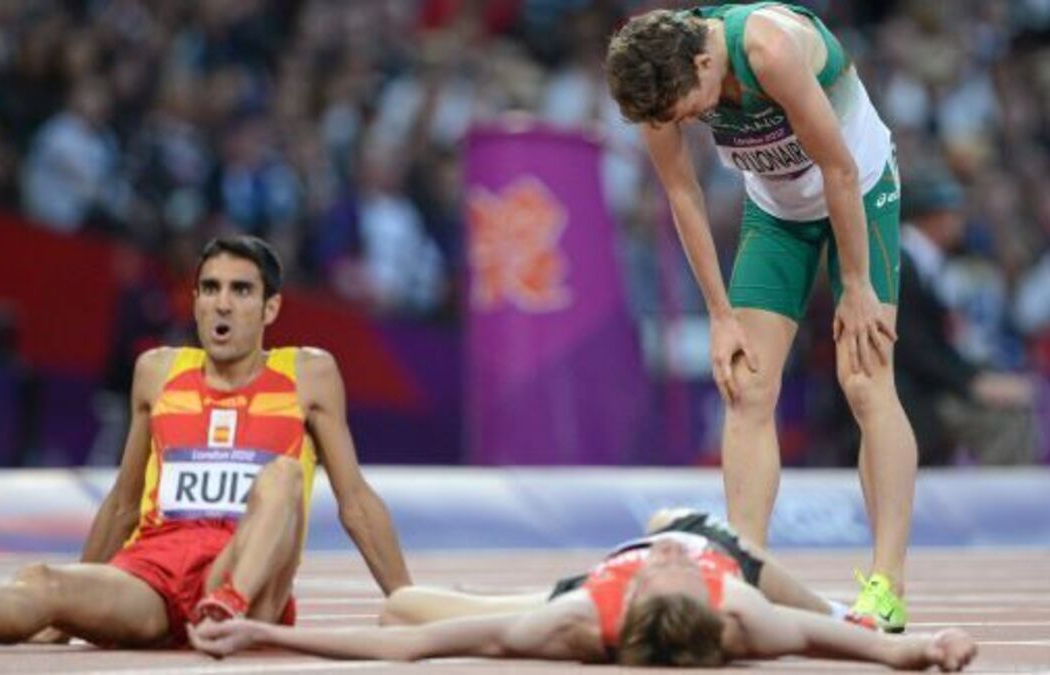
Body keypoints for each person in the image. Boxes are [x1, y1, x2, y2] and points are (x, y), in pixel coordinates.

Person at [0, 234, 412, 652]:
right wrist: (65, 611)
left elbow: (356, 502)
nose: (222, 304)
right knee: (45, 582)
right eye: (211, 289)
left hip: (242, 571)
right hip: (156, 573)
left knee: (285, 476)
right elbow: (124, 503)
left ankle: (227, 607)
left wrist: (406, 602)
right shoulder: (158, 372)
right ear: (195, 301)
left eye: (241, 290)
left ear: (270, 308)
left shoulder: (308, 375)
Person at [605, 3, 915, 630]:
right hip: (777, 213)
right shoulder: (658, 74)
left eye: (686, 110)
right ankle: (743, 573)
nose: (685, 122)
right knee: (745, 385)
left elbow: (838, 168)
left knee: (864, 379)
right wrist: (720, 315)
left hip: (860, 192)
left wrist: (856, 284)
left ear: (704, 63)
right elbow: (682, 194)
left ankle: (887, 583)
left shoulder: (769, 49)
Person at [188, 509, 976, 670]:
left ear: (630, 601)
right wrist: (933, 646)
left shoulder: (574, 619)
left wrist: (267, 633)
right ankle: (824, 591)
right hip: (733, 551)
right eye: (671, 564)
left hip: (569, 585)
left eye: (661, 565)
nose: (663, 555)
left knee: (404, 606)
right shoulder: (743, 609)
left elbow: (412, 647)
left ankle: (820, 588)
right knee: (690, 521)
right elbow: (880, 651)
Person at [893, 172, 1040, 465]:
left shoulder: (922, 260)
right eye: (953, 213)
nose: (960, 222)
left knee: (1013, 407)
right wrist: (974, 383)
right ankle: (999, 496)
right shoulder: (904, 264)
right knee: (1005, 422)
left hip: (925, 384)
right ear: (931, 217)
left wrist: (979, 378)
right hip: (909, 394)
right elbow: (914, 350)